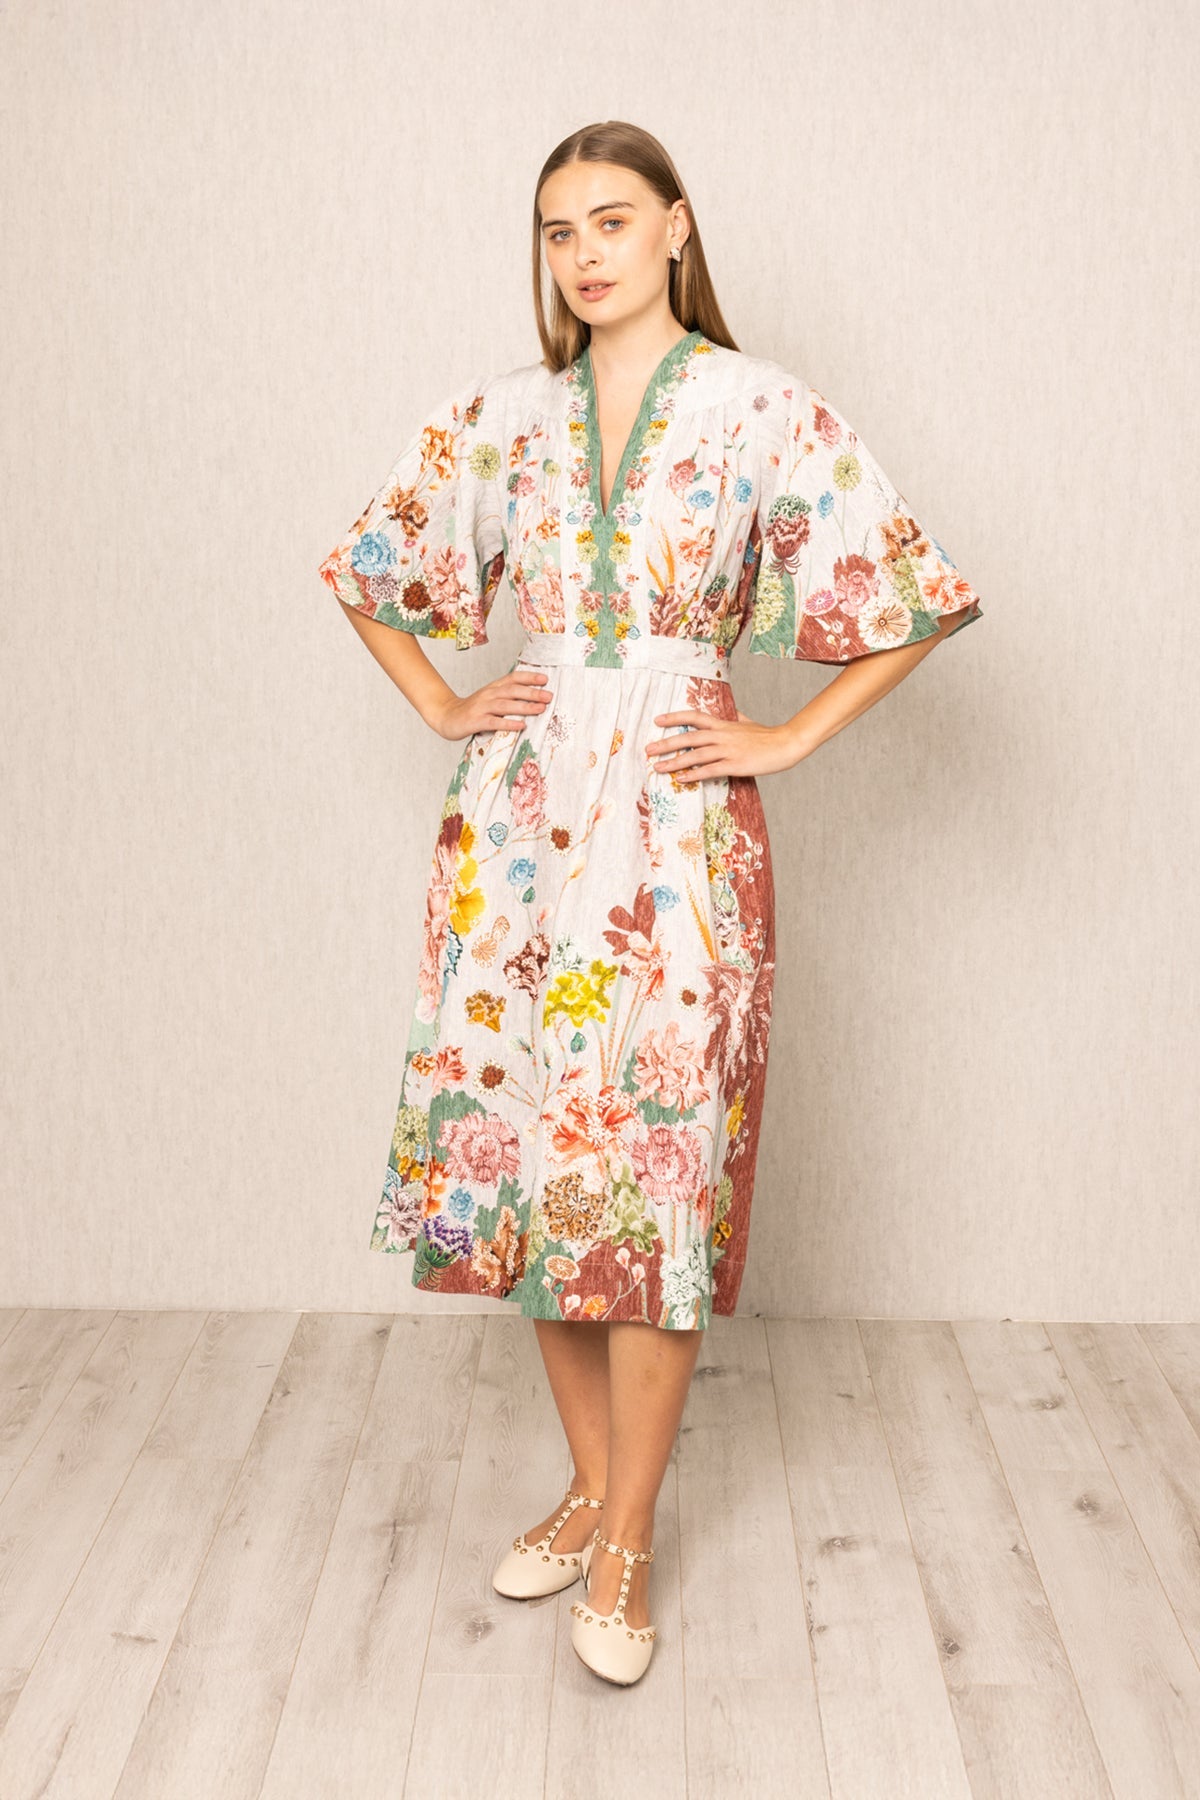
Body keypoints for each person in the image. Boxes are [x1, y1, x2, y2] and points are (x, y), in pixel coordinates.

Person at [319, 120, 983, 1686]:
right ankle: (589, 1488)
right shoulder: (507, 417)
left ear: (677, 229)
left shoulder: (761, 411)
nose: (586, 253)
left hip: (679, 834)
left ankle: (625, 1546)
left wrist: (786, 734)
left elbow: (910, 594)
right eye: (559, 231)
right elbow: (370, 566)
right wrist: (440, 705)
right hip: (519, 831)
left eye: (613, 221)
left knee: (651, 1179)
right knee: (536, 1170)